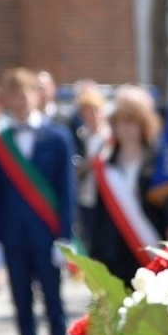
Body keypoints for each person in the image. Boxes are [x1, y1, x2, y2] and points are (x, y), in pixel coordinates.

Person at [0, 67, 75, 335]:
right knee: (22, 309)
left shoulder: (58, 137)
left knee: (54, 307)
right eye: (14, 96)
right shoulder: (0, 144)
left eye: (24, 94)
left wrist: (65, 236)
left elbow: (67, 191)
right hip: (14, 240)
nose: (20, 101)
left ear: (36, 96)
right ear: (7, 101)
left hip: (48, 236)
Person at [89, 86, 167, 286]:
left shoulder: (158, 160)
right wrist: (95, 253)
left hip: (150, 245)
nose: (126, 128)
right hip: (113, 251)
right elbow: (99, 212)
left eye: (132, 122)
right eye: (121, 122)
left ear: (144, 125)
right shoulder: (106, 164)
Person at [72, 86, 111, 252]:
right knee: (88, 242)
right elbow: (74, 168)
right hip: (86, 197)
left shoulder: (110, 136)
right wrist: (90, 163)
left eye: (96, 110)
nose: (94, 115)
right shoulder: (79, 136)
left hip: (107, 197)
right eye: (88, 111)